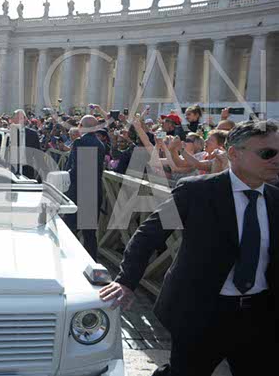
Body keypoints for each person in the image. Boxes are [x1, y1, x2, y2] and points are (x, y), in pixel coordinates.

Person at [100, 120, 279, 376]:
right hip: (202, 313)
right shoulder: (197, 191)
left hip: (259, 315)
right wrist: (126, 281)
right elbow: (149, 235)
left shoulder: (275, 199)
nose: (276, 159)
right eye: (268, 153)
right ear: (234, 154)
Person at [63, 115, 106, 262]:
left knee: (69, 230)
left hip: (78, 193)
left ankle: (70, 261)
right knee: (89, 234)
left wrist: (63, 177)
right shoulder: (100, 144)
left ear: (81, 126)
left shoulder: (79, 142)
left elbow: (75, 170)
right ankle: (91, 262)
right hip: (93, 193)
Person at [5, 109, 43, 179]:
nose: (19, 120)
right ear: (13, 120)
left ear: (25, 119)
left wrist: (39, 172)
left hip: (28, 168)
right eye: (16, 118)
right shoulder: (7, 133)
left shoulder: (32, 134)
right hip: (11, 168)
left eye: (21, 118)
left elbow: (38, 154)